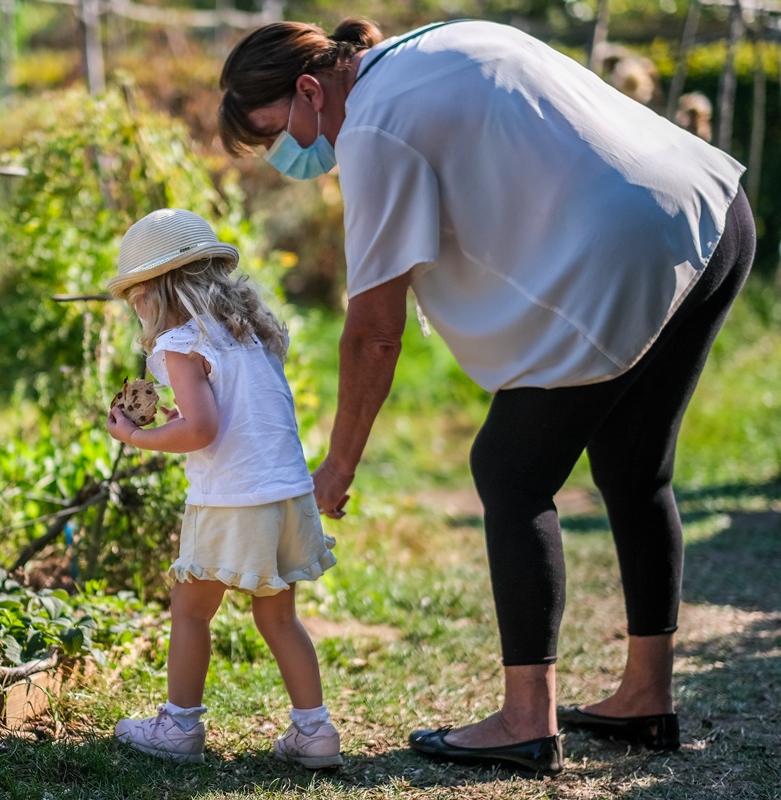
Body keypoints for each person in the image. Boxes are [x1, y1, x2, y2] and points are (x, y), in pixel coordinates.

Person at [218, 17, 755, 776]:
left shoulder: (372, 124)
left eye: (279, 134)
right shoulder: (432, 41)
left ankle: (524, 720)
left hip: (632, 246)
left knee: (510, 470)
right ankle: (644, 696)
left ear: (310, 89)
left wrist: (336, 468)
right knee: (637, 468)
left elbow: (374, 330)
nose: (291, 158)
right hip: (715, 210)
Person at [105, 208, 342, 769]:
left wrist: (137, 436)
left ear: (156, 291)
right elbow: (236, 415)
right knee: (279, 617)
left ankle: (180, 726)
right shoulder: (250, 334)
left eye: (135, 295)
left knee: (190, 613)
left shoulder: (179, 344)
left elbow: (202, 429)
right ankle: (315, 732)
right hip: (286, 493)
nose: (134, 308)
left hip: (230, 500)